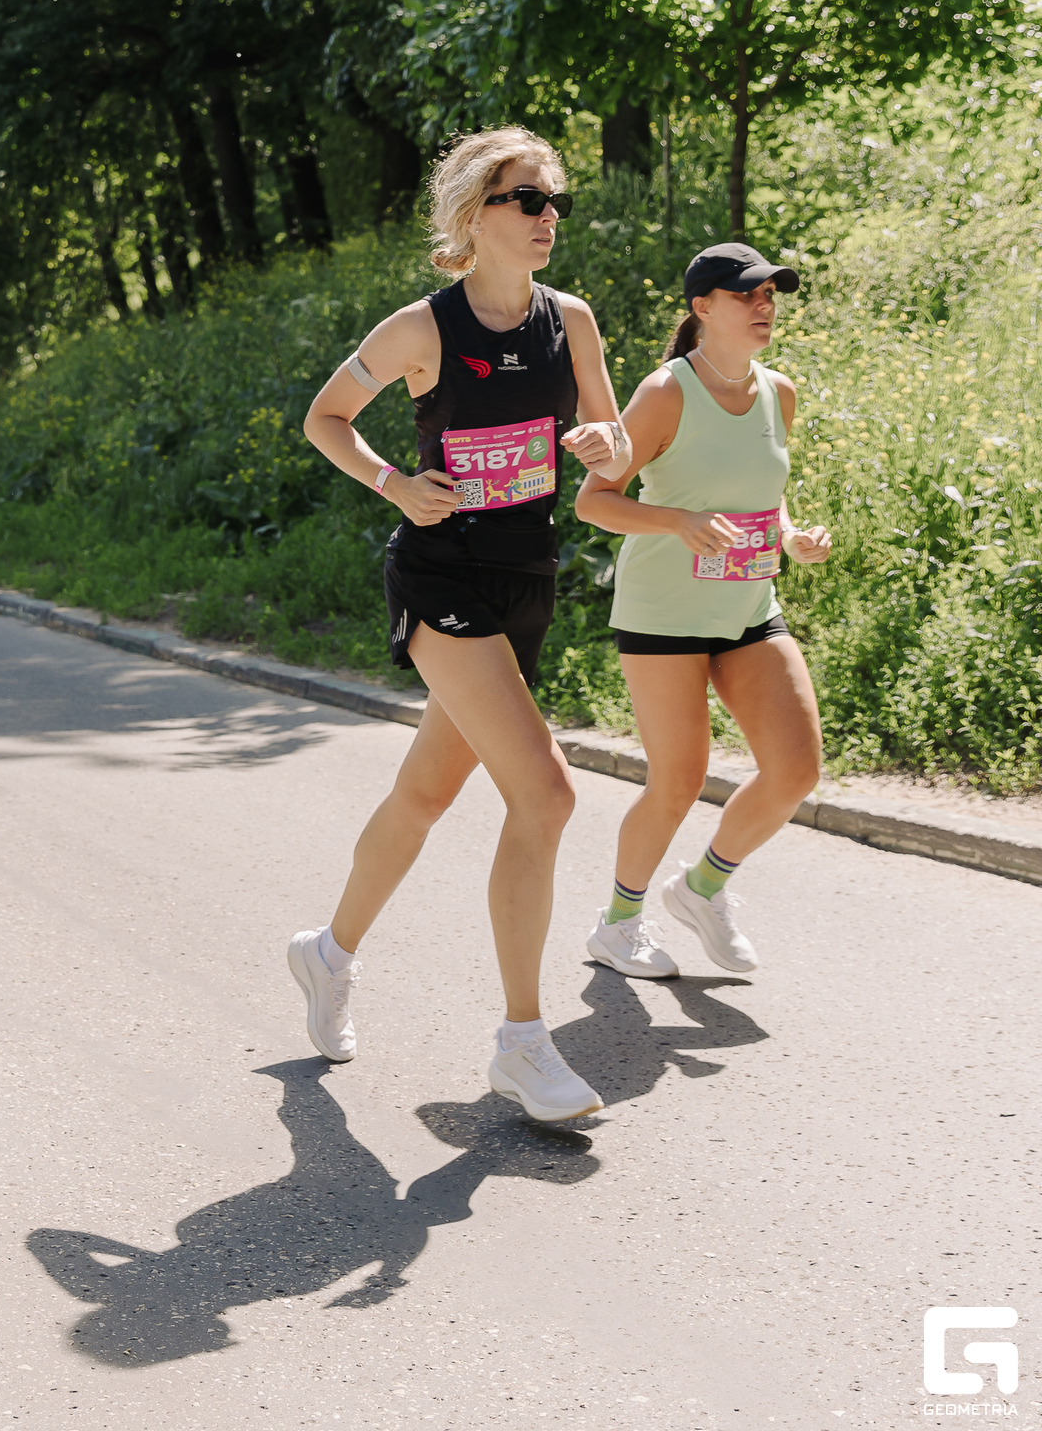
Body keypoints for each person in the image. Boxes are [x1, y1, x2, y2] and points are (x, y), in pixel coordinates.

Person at [289, 126, 632, 1122]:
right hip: (440, 576)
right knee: (547, 793)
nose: (547, 217)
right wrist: (394, 484)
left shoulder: (572, 322)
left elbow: (612, 451)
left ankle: (327, 954)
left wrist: (604, 447)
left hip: (527, 579)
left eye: (553, 201)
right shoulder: (421, 330)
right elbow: (324, 418)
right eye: (527, 199)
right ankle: (523, 1045)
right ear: (476, 213)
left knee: (423, 794)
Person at [573, 242, 832, 980]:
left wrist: (790, 536)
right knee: (678, 780)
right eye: (747, 294)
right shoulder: (666, 392)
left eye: (770, 295)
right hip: (665, 614)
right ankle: (618, 924)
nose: (763, 306)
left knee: (795, 770)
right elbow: (596, 500)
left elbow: (761, 493)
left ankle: (702, 888)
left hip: (748, 604)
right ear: (702, 308)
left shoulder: (779, 392)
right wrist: (678, 522)